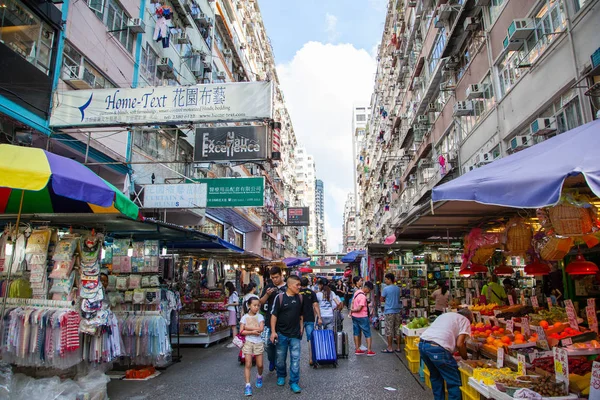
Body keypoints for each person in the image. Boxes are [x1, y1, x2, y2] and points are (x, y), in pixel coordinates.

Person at [419, 309, 474, 400]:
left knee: (436, 377)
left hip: (423, 345)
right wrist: (466, 359)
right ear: (468, 317)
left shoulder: (446, 315)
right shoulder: (465, 320)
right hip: (437, 348)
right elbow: (460, 344)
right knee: (454, 381)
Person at [270, 275, 304, 394]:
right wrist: (273, 332)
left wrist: (301, 328)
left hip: (295, 334)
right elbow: (274, 315)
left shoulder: (300, 298)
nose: (299, 287)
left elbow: (301, 315)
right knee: (280, 358)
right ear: (289, 285)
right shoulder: (279, 298)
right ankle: (281, 375)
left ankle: (294, 382)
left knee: (295, 359)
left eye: (300, 285)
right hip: (281, 334)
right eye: (297, 285)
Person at [259, 265, 287, 372]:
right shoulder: (269, 287)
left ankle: (280, 369)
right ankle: (272, 359)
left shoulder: (286, 287)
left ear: (281, 275)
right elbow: (261, 302)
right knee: (267, 344)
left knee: (281, 347)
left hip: (283, 322)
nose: (274, 280)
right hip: (269, 320)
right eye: (272, 277)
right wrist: (267, 294)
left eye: (276, 277)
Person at [239, 297, 265, 397]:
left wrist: (247, 327)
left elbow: (261, 329)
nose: (256, 307)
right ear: (249, 305)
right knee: (248, 364)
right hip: (248, 342)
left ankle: (259, 376)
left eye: (258, 305)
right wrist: (252, 331)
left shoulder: (260, 317)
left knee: (260, 365)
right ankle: (248, 385)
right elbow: (241, 331)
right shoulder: (244, 317)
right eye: (254, 305)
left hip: (258, 342)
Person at [299, 277, 322, 366]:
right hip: (310, 318)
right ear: (308, 283)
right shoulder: (311, 293)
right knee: (310, 339)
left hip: (298, 319)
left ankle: (296, 360)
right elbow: (315, 305)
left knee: (296, 340)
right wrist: (319, 317)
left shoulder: (297, 292)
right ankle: (311, 358)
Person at [350, 277, 375, 356]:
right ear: (367, 288)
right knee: (367, 333)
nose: (369, 292)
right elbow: (359, 308)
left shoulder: (357, 292)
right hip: (362, 317)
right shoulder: (363, 297)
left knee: (356, 332)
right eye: (369, 290)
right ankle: (369, 350)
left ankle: (357, 349)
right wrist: (352, 310)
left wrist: (351, 311)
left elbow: (353, 302)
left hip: (355, 317)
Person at [380, 273, 402, 353]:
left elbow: (381, 299)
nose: (385, 281)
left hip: (389, 311)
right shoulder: (397, 288)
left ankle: (389, 347)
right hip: (397, 311)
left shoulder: (386, 289)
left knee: (389, 329)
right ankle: (398, 347)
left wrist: (387, 300)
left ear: (389, 279)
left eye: (386, 279)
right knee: (397, 329)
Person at [225, 281, 240, 348]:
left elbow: (236, 303)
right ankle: (235, 341)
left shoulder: (233, 293)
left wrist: (228, 304)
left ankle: (234, 341)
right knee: (233, 326)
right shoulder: (233, 293)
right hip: (232, 310)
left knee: (233, 326)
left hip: (233, 311)